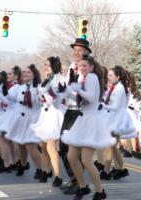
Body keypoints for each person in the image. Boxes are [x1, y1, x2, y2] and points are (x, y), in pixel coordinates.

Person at [61, 55, 115, 200]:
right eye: (80, 66)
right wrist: (66, 91)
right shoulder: (83, 79)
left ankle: (100, 191)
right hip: (82, 119)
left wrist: (77, 89)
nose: (81, 68)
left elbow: (91, 98)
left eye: (84, 65)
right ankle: (82, 186)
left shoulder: (91, 77)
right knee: (71, 157)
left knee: (86, 160)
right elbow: (80, 101)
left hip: (91, 122)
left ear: (91, 66)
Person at [59, 38, 92, 194]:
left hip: (80, 111)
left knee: (74, 149)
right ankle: (74, 179)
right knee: (63, 146)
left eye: (80, 50)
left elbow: (88, 91)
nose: (76, 52)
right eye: (75, 50)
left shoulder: (88, 68)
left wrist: (77, 86)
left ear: (86, 52)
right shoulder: (72, 66)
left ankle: (80, 183)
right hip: (69, 109)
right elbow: (68, 89)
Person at [31, 56, 65, 186]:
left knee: (51, 146)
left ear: (55, 67)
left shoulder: (60, 79)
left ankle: (58, 176)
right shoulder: (46, 80)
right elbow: (43, 99)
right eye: (45, 65)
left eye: (48, 65)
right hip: (45, 114)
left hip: (55, 114)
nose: (46, 67)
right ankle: (46, 171)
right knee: (43, 146)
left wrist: (45, 92)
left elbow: (55, 100)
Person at [5, 64, 42, 179]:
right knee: (20, 144)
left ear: (34, 75)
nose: (25, 74)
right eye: (24, 72)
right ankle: (23, 164)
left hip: (33, 119)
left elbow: (40, 103)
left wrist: (38, 94)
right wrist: (3, 92)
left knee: (31, 146)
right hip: (21, 120)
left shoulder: (38, 88)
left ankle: (39, 169)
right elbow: (11, 99)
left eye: (28, 72)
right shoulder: (20, 87)